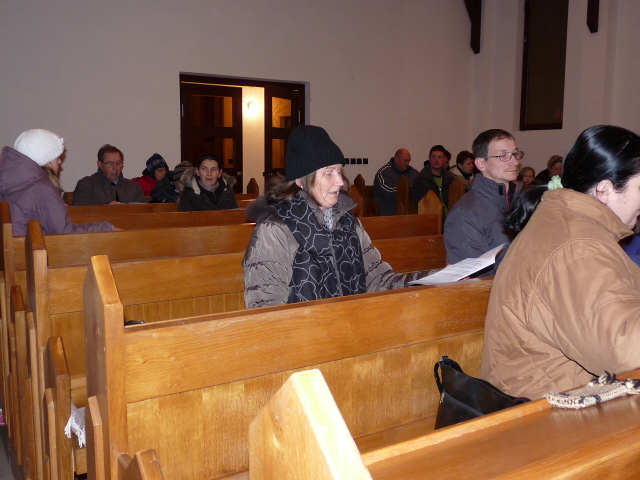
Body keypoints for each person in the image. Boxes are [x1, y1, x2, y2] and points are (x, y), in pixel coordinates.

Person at [480, 125, 640, 399]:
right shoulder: (578, 246)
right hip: (544, 409)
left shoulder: (569, 225)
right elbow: (628, 351)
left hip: (559, 393)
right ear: (605, 190)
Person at [242, 125, 438, 309]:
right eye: (329, 173)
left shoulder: (348, 222)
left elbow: (379, 280)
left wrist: (436, 277)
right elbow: (266, 307)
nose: (340, 181)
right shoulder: (275, 230)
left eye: (339, 171)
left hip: (352, 327)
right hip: (305, 332)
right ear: (301, 180)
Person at [0, 129, 114, 235]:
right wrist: (107, 228)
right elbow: (65, 234)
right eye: (56, 157)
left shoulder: (13, 183)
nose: (60, 161)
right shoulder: (42, 189)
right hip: (31, 249)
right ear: (45, 158)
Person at [443, 129, 523, 271]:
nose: (515, 161)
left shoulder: (524, 201)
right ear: (481, 164)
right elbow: (476, 275)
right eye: (504, 155)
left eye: (515, 154)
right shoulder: (465, 214)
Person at [72, 144, 146, 205]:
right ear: (100, 164)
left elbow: (144, 212)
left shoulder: (133, 187)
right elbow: (80, 212)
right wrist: (106, 209)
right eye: (110, 164)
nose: (115, 168)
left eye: (118, 163)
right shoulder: (86, 185)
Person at [411, 145, 457, 214]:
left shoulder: (450, 178)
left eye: (440, 157)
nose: (436, 160)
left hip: (451, 216)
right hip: (432, 216)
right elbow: (418, 206)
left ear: (444, 159)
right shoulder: (420, 180)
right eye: (433, 157)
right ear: (429, 158)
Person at [373, 148, 419, 216]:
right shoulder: (384, 173)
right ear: (396, 159)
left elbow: (420, 188)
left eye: (409, 161)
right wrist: (410, 190)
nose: (407, 163)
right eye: (405, 161)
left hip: (411, 214)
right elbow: (389, 193)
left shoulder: (413, 172)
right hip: (388, 215)